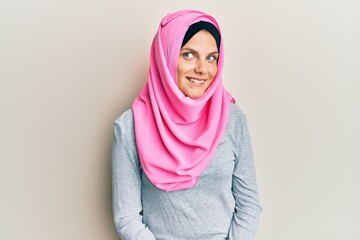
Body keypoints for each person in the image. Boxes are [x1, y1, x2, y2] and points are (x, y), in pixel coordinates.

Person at [112, 9, 261, 240]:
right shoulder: (129, 127)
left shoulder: (233, 119)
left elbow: (249, 204)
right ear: (166, 57)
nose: (202, 69)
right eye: (189, 55)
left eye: (211, 57)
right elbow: (127, 217)